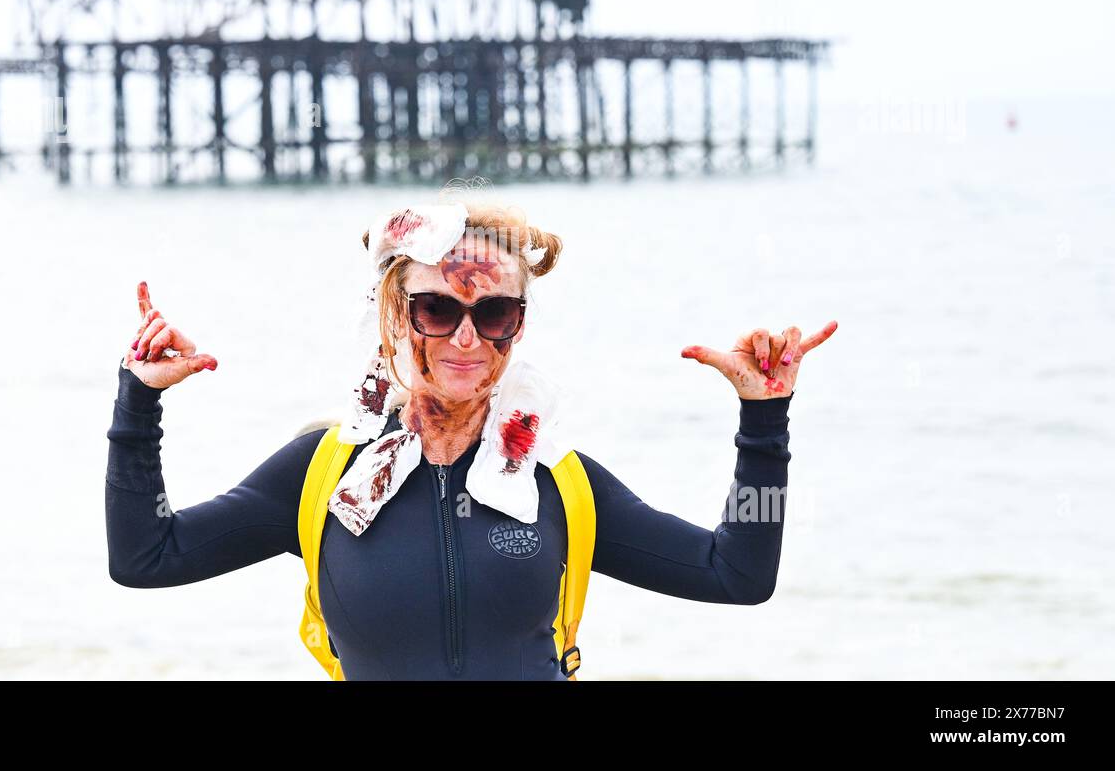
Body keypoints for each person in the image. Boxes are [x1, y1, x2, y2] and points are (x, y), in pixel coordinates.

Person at [104, 198, 837, 680]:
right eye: (435, 307)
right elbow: (144, 556)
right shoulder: (321, 478)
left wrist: (763, 421)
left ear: (519, 323)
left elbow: (738, 574)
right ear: (394, 312)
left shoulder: (558, 483)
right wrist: (139, 403)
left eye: (494, 314)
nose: (465, 337)